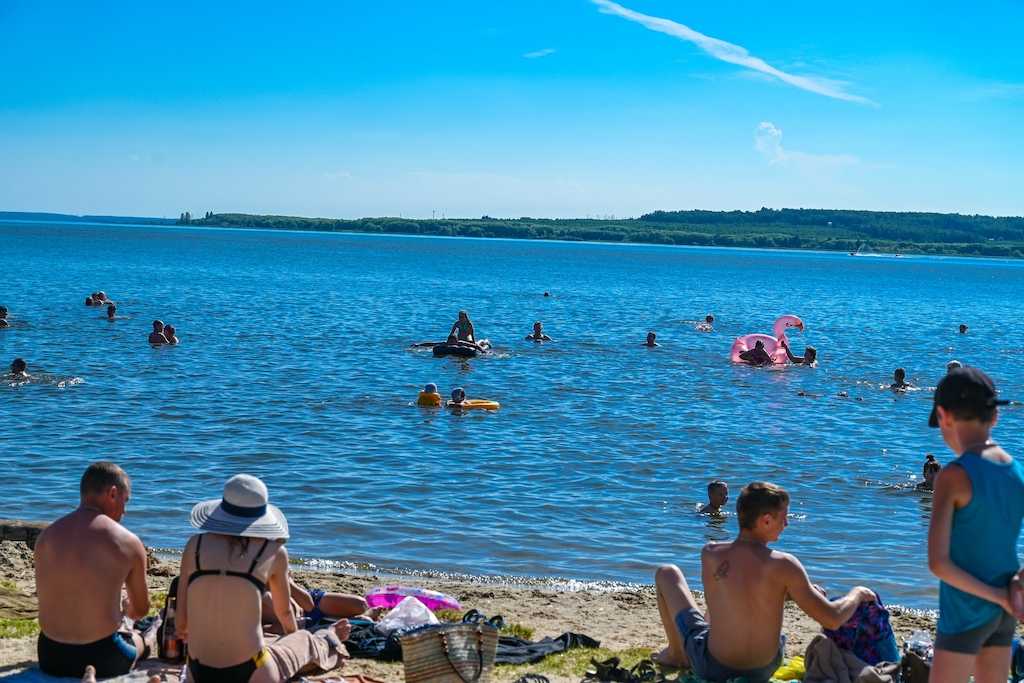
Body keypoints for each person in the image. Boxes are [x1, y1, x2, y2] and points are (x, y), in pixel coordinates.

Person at [653, 482, 877, 681]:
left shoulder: (711, 554)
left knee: (667, 572)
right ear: (766, 520)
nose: (786, 524)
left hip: (712, 667)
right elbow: (832, 619)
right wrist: (857, 593)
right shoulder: (785, 565)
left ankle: (676, 654)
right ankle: (677, 653)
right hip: (764, 668)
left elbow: (725, 599)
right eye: (784, 517)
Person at [177, 474, 350, 682]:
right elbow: (285, 613)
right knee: (304, 639)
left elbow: (181, 623)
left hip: (198, 672)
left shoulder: (194, 546)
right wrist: (291, 638)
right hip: (253, 671)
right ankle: (330, 637)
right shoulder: (273, 552)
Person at [927, 367, 1024, 682]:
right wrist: (1016, 586)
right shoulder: (1016, 471)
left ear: (944, 416)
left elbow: (939, 563)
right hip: (1007, 607)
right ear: (994, 417)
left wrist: (995, 595)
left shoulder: (953, 475)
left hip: (966, 608)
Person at [33, 462, 152, 679]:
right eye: (125, 501)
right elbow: (141, 609)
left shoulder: (46, 537)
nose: (125, 511)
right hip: (104, 656)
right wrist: (125, 610)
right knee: (143, 638)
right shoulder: (128, 542)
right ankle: (147, 642)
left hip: (51, 656)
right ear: (113, 493)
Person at [262, 578, 368, 633]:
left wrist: (286, 581)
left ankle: (335, 618)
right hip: (301, 623)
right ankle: (340, 618)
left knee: (360, 605)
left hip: (307, 602)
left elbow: (309, 606)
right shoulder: (249, 593)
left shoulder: (271, 561)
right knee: (363, 622)